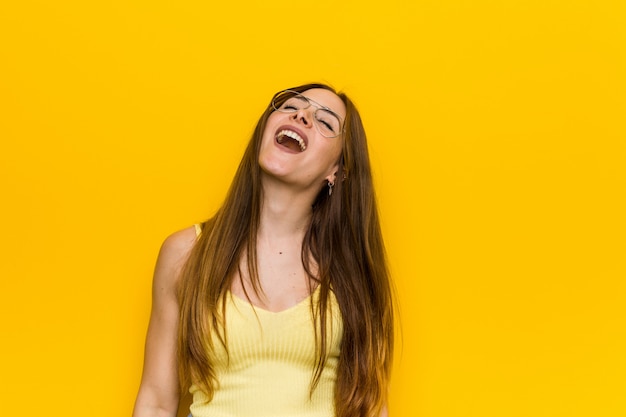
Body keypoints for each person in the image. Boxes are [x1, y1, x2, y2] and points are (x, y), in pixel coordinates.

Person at [132, 83, 395, 417]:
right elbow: (155, 402)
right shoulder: (186, 254)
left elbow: (370, 406)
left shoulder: (352, 271)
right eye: (289, 106)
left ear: (337, 172)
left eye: (326, 122)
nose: (302, 115)